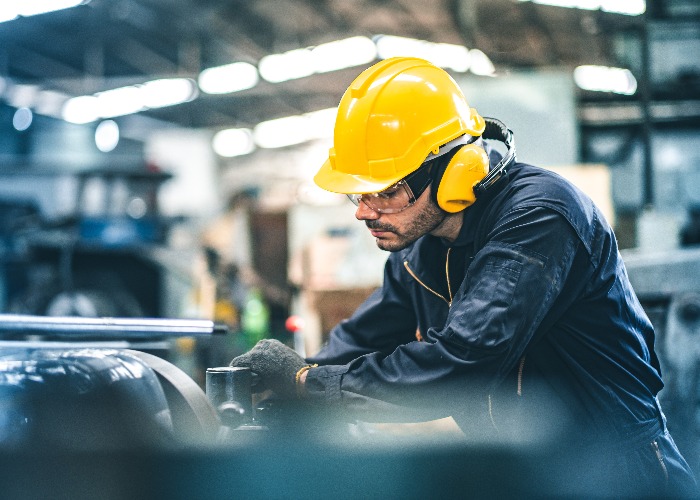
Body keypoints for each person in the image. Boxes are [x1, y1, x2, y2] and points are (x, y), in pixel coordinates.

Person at [230, 57, 698, 497]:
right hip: (523, 467)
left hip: (616, 472)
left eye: (386, 192)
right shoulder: (420, 247)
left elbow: (462, 362)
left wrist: (308, 385)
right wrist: (285, 379)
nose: (365, 212)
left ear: (454, 171)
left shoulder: (539, 219)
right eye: (357, 195)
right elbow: (362, 340)